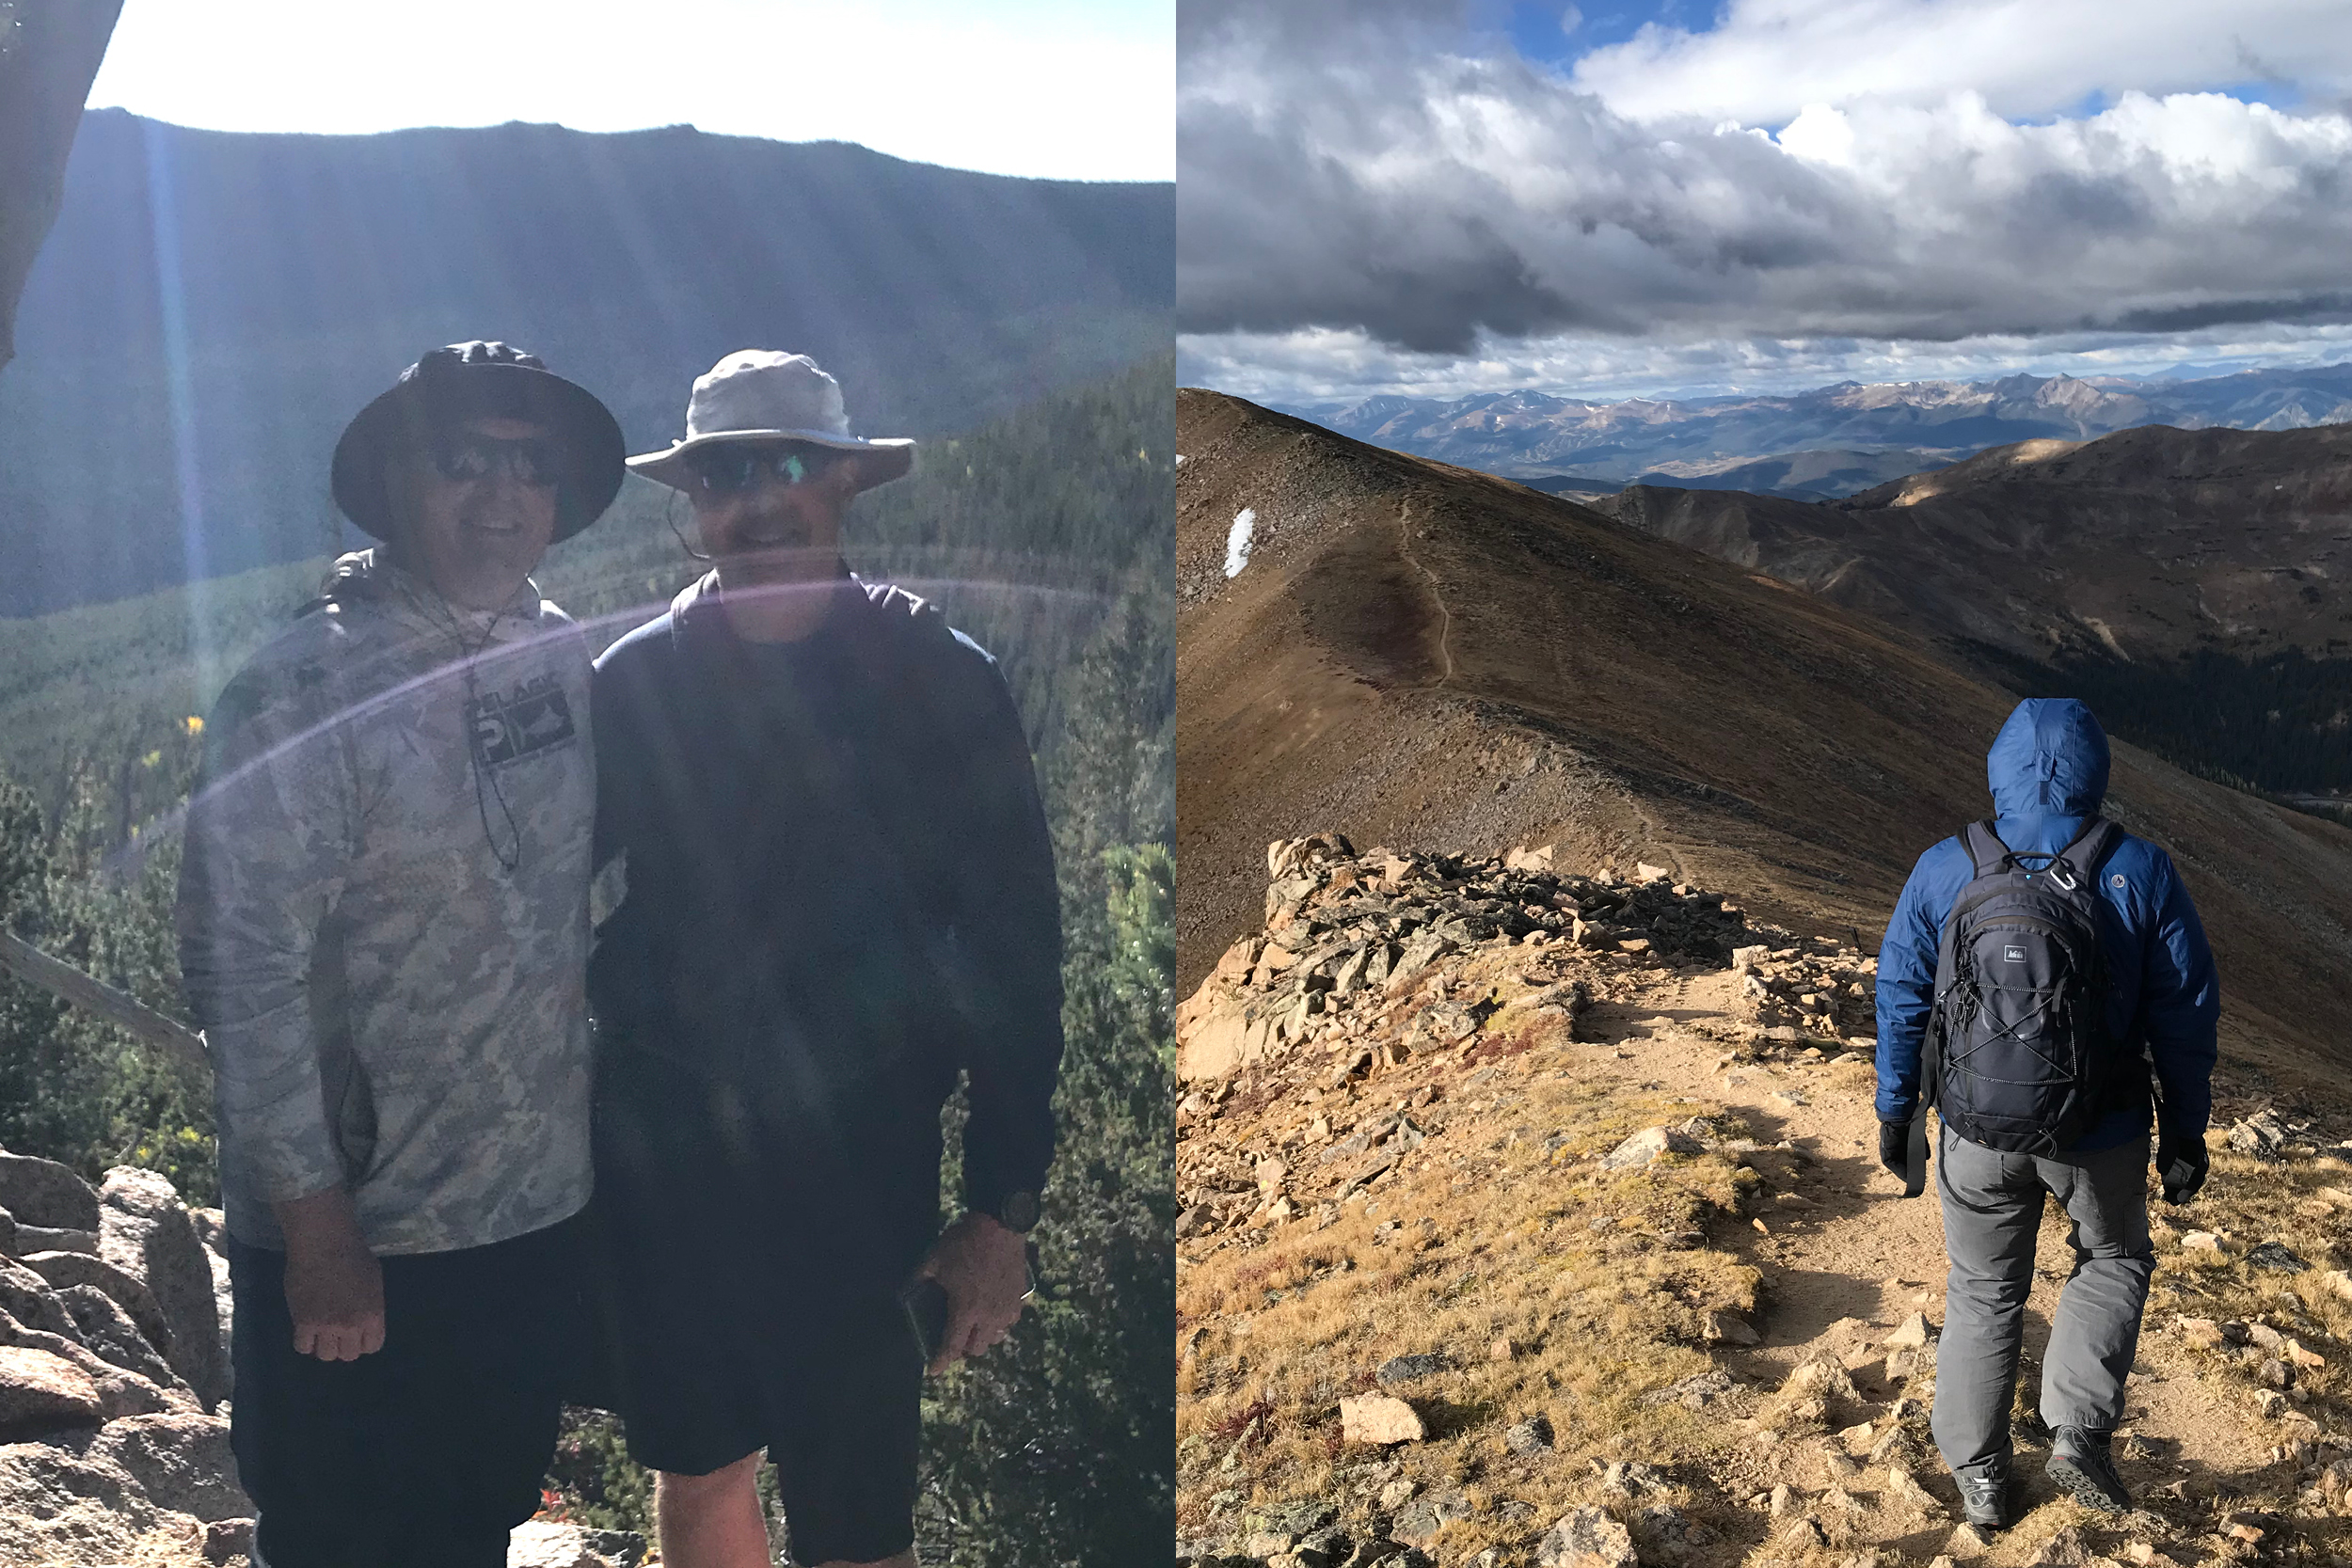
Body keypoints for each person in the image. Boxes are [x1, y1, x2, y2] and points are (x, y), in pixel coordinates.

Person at [587, 350, 1065, 1568]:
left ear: (845, 481)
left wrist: (1002, 1209)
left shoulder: (943, 684)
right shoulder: (630, 688)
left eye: (787, 465)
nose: (755, 498)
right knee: (699, 1474)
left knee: (857, 1523)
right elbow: (527, 907)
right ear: (692, 502)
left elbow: (1016, 956)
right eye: (723, 473)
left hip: (864, 1170)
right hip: (668, 1151)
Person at [177, 341, 625, 1566]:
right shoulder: (307, 683)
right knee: (334, 1534)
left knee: (474, 1517)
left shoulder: (555, 653)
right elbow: (242, 968)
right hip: (360, 1232)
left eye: (528, 466)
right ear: (397, 482)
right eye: (463, 461)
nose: (500, 494)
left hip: (522, 1217)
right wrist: (317, 1229)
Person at [1874, 697, 2218, 1528]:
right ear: (2097, 770)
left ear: (1998, 768)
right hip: (2097, 1129)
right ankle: (2076, 1433)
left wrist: (1897, 1113)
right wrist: (2183, 1131)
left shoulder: (1945, 866)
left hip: (1973, 1128)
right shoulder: (2139, 869)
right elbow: (2186, 1014)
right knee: (2111, 1254)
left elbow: (1900, 994)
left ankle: (1981, 1477)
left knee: (1985, 1288)